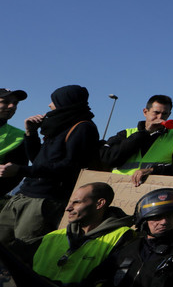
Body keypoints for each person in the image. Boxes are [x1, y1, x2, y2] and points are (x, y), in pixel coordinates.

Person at [0, 85, 100, 246]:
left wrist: (21, 170)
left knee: (23, 252)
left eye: (53, 101)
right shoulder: (57, 127)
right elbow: (38, 160)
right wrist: (31, 133)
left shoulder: (83, 128)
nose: (49, 105)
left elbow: (69, 168)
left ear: (64, 103)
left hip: (44, 202)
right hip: (23, 195)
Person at [32, 182, 133, 287]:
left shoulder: (123, 237)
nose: (68, 208)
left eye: (76, 202)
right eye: (70, 202)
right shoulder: (52, 237)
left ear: (99, 203)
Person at [101, 94, 173, 186]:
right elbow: (108, 159)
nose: (160, 117)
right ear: (145, 112)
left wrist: (153, 171)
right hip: (119, 187)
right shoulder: (126, 134)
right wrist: (145, 133)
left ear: (169, 114)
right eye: (156, 113)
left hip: (155, 192)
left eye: (164, 114)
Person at [0, 88, 29, 197]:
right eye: (5, 102)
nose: (12, 106)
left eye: (15, 103)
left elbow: (15, 174)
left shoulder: (20, 136)